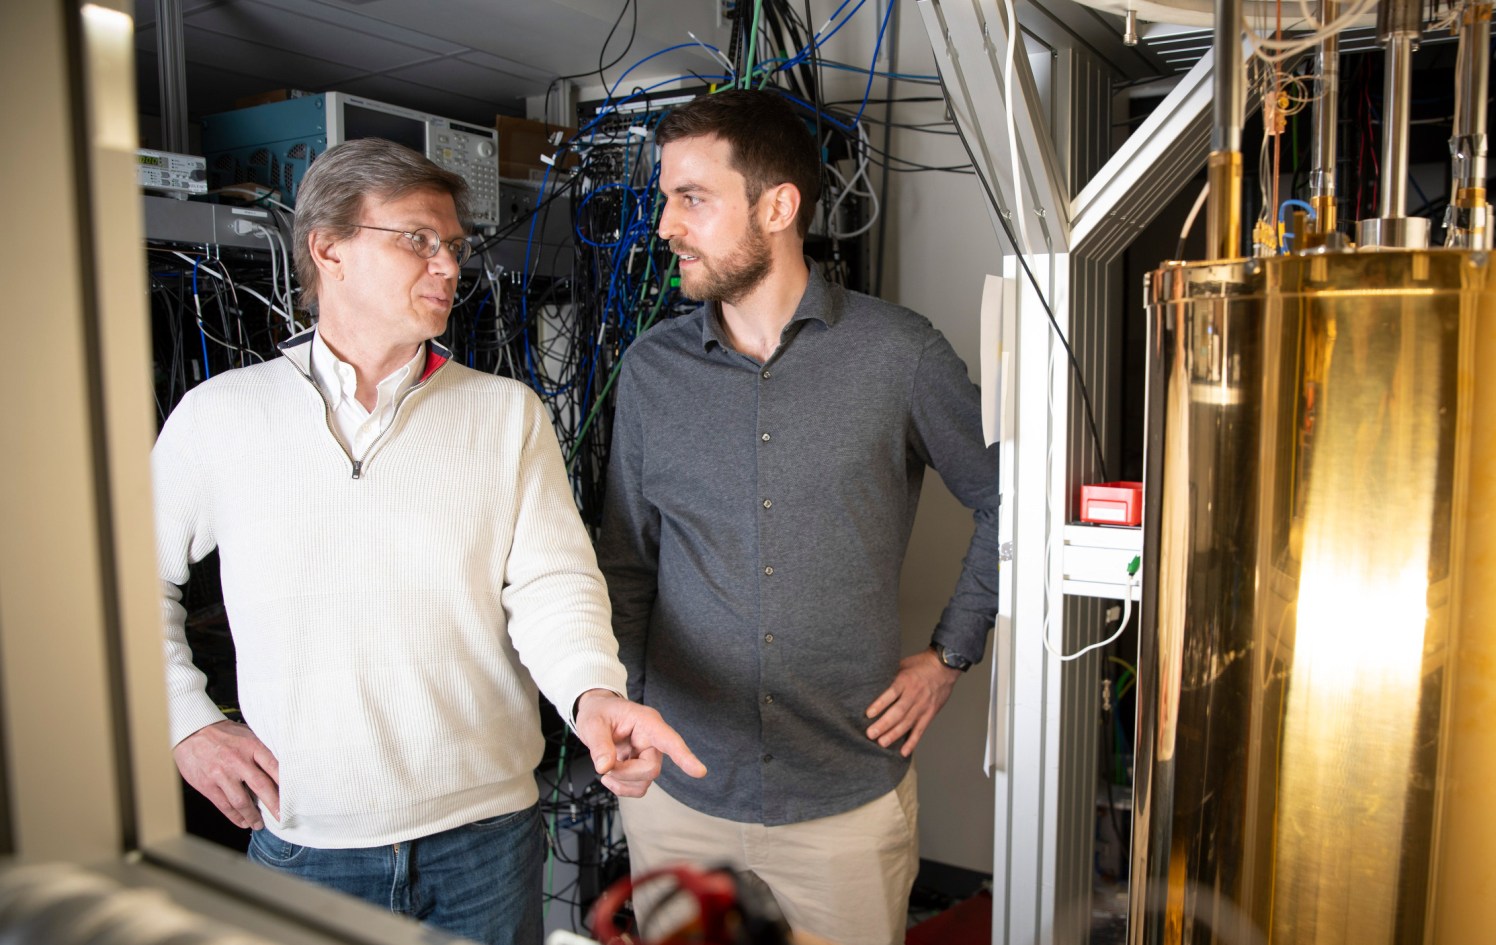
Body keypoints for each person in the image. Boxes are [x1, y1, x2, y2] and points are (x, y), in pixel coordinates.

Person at [152, 138, 705, 945]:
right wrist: (185, 720)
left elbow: (554, 585)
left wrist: (594, 693)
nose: (447, 264)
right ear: (328, 247)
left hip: (485, 836)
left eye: (453, 245)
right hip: (310, 841)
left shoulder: (505, 414)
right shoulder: (220, 417)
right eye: (417, 239)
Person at [597, 90, 999, 945]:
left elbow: (1010, 499)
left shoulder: (902, 355)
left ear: (778, 207)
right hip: (682, 796)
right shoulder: (651, 372)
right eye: (665, 199)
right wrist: (626, 702)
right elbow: (627, 561)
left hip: (843, 802)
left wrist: (950, 653)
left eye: (693, 198)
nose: (666, 225)